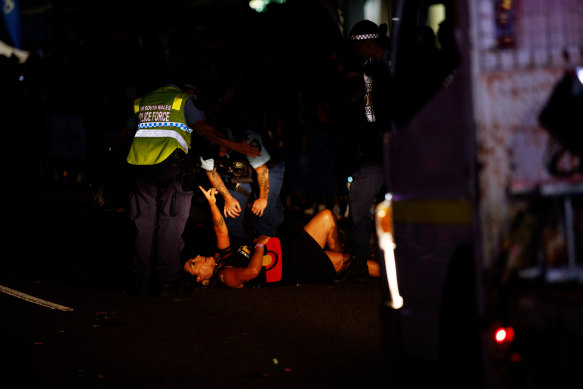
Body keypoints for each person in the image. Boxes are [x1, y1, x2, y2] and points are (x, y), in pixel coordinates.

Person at [122, 80, 262, 297]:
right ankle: (166, 283)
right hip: (171, 165)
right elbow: (205, 130)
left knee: (144, 224)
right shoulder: (183, 101)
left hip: (141, 167)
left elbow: (124, 135)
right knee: (171, 223)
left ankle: (140, 281)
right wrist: (235, 146)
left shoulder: (141, 102)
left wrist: (109, 157)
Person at [185, 186, 380, 288]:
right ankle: (398, 274)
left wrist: (212, 203)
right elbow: (252, 272)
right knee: (350, 261)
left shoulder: (221, 256)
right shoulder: (224, 275)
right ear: (201, 279)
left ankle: (336, 264)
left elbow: (221, 231)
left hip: (289, 250)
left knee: (328, 217)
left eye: (192, 259)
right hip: (294, 267)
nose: (196, 258)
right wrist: (260, 245)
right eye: (194, 264)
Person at [335, 20, 393, 283]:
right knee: (360, 197)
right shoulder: (369, 68)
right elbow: (369, 108)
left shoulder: (395, 64)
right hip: (375, 148)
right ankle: (360, 260)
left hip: (401, 145)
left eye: (357, 45)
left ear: (368, 43)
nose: (355, 51)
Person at [201, 125, 285, 248]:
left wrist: (263, 198)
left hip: (267, 167)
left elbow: (262, 170)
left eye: (220, 150)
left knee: (264, 210)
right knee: (230, 212)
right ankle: (238, 249)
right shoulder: (206, 147)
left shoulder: (247, 140)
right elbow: (211, 172)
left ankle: (265, 247)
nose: (219, 154)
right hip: (237, 172)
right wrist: (228, 198)